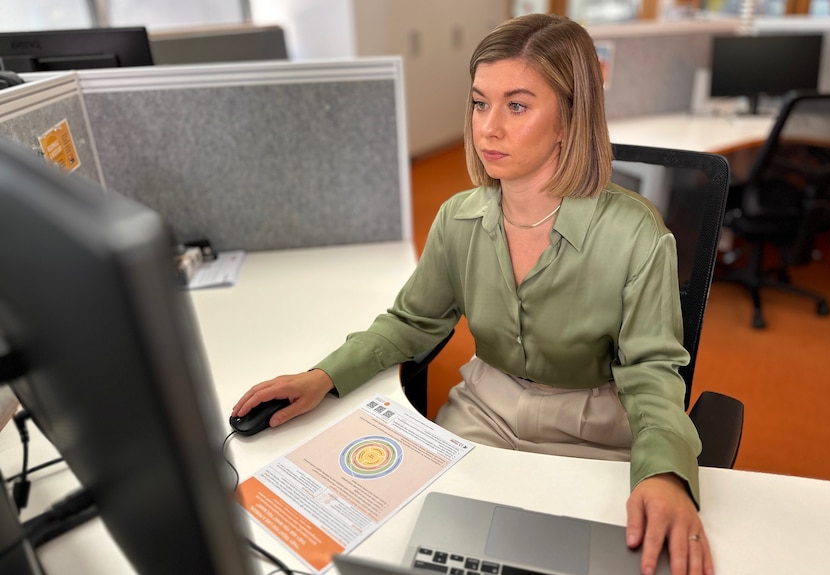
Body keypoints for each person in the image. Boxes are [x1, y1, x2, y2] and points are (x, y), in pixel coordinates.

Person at [233, 13, 712, 575]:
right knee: (413, 543)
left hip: (594, 426)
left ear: (570, 117)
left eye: (517, 105)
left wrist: (664, 472)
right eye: (480, 103)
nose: (488, 128)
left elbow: (654, 372)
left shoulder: (638, 235)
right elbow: (412, 321)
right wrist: (324, 376)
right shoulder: (457, 218)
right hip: (486, 409)